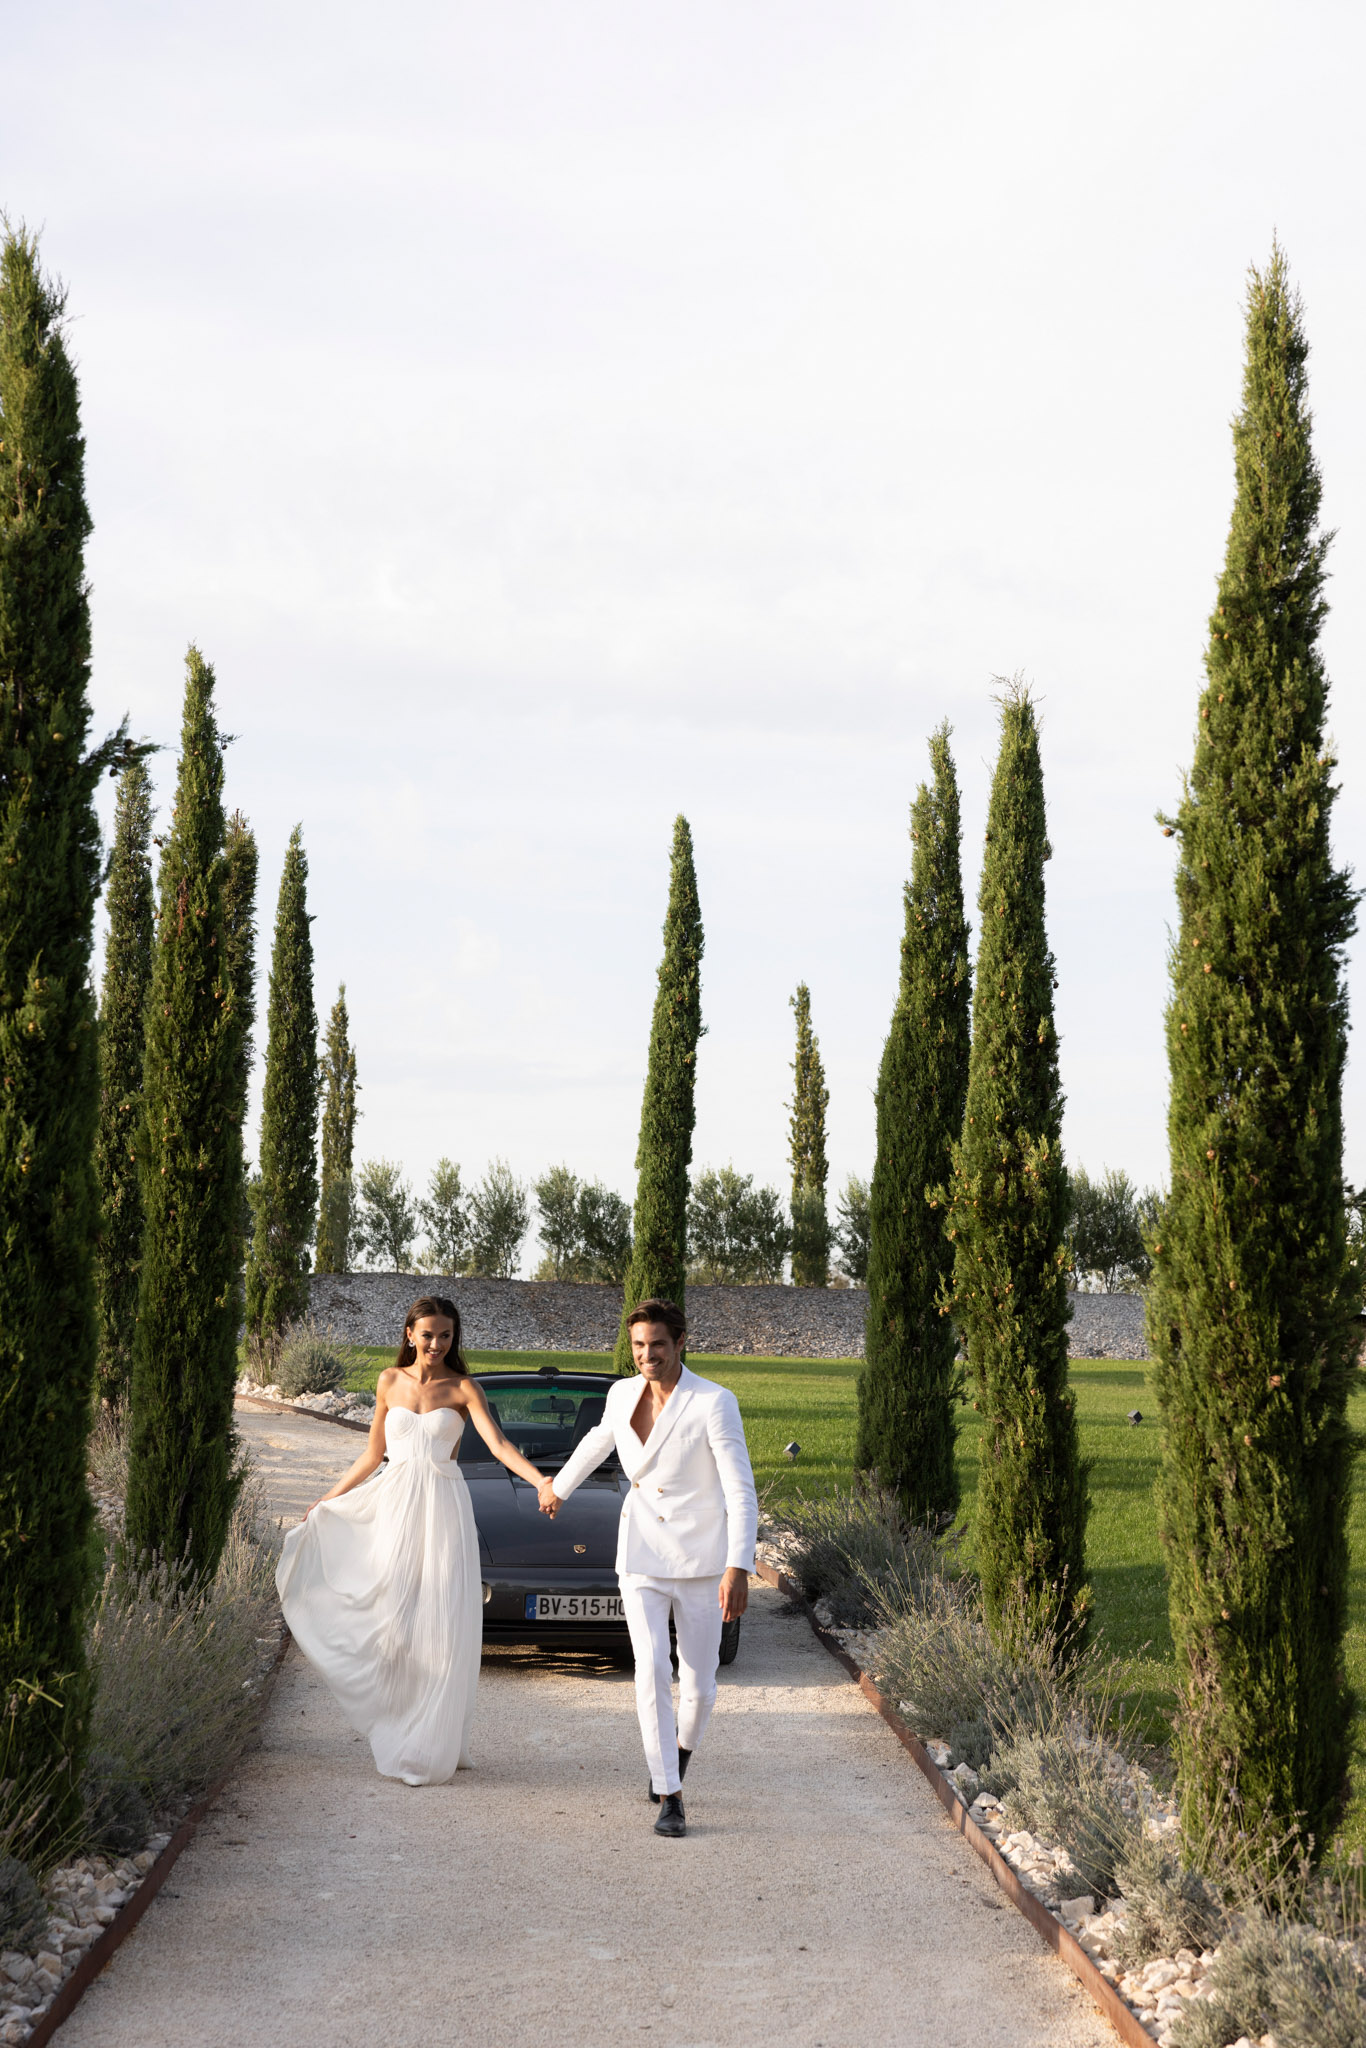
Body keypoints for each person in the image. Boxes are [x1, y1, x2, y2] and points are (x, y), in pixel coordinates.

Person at [276, 1295, 553, 1786]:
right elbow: (371, 1455)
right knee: (393, 1617)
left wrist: (540, 1482)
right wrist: (327, 1498)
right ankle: (399, 1723)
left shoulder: (464, 1388)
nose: (436, 1343)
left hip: (444, 1508)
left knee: (441, 1618)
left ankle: (432, 1741)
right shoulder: (388, 1381)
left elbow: (499, 1445)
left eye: (445, 1335)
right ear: (409, 1333)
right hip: (394, 1504)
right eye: (427, 1334)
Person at [538, 1298, 758, 1837]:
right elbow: (598, 1441)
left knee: (700, 1686)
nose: (647, 1355)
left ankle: (675, 1758)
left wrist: (739, 1566)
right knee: (652, 1669)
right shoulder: (620, 1394)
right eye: (638, 1345)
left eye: (657, 1344)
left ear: (680, 1342)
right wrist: (558, 1488)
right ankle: (672, 1795)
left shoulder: (714, 1402)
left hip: (702, 1561)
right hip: (639, 1553)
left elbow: (740, 1489)